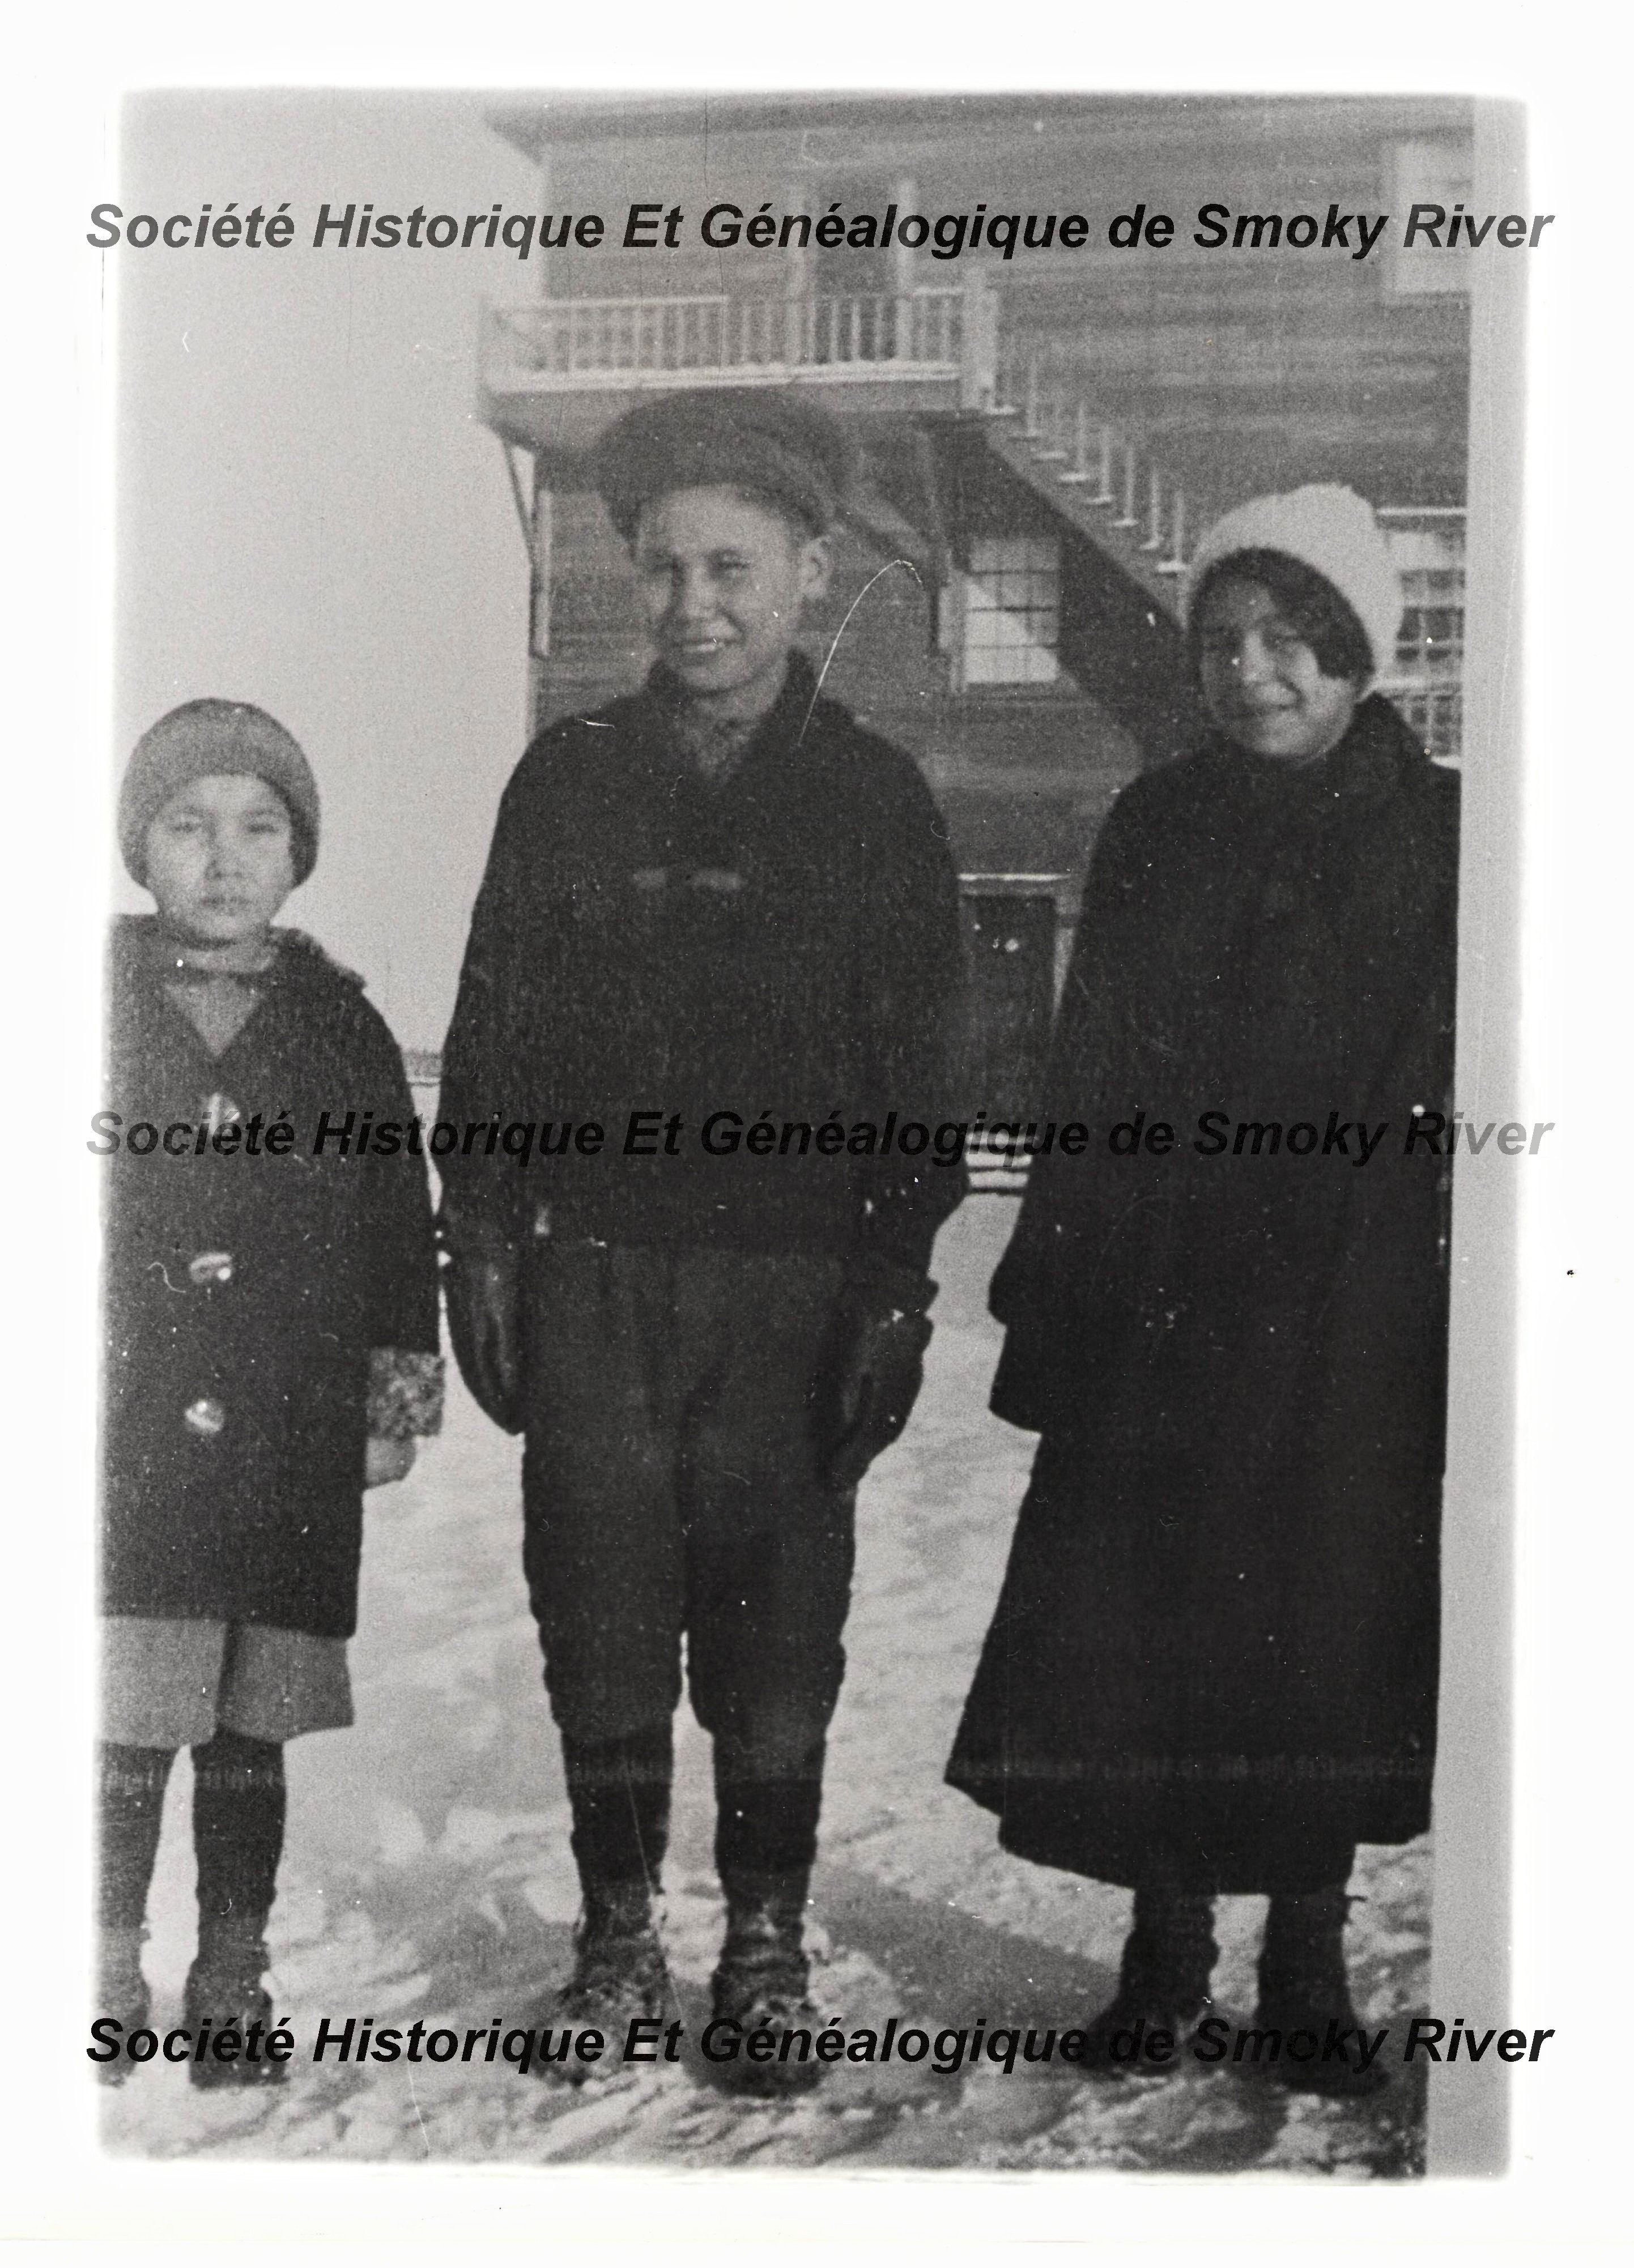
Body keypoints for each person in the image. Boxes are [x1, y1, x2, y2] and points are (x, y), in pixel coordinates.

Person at [439, 388, 965, 2092]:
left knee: (771, 1630)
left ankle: (762, 1944)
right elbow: (496, 1030)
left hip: (790, 1292)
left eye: (730, 566)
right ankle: (612, 1944)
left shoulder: (873, 799)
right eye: (660, 571)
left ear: (808, 571)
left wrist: (892, 1283)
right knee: (595, 1611)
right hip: (592, 1275)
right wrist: (479, 1244)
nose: (693, 607)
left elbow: (918, 1072)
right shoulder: (566, 780)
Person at [946, 487, 1458, 2096]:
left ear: (1358, 650)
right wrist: (1069, 1287)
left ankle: (1303, 1966)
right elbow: (1093, 1058)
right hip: (1159, 1305)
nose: (1257, 673)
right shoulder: (1155, 823)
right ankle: (1160, 1957)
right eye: (1226, 641)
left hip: (1350, 1310)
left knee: (1318, 1633)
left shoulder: (1443, 830)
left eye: (1294, 639)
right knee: (1151, 1626)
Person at [98, 700, 443, 2086]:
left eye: (258, 828)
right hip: (123, 1439)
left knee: (253, 1724)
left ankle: (232, 1965)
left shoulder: (341, 1028)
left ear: (298, 853)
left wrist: (390, 1393)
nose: (223, 859)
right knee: (124, 1714)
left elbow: (389, 1220)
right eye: (188, 827)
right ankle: (104, 1958)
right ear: (143, 849)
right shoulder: (76, 1010)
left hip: (290, 1436)